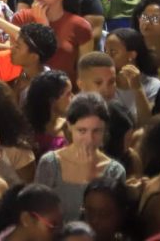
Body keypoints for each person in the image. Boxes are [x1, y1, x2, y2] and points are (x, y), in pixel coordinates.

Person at [34, 92, 126, 223]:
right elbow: (39, 217)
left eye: (96, 131)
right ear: (70, 127)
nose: (89, 139)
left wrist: (89, 177)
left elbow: (109, 222)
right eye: (82, 131)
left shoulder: (115, 171)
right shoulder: (50, 164)